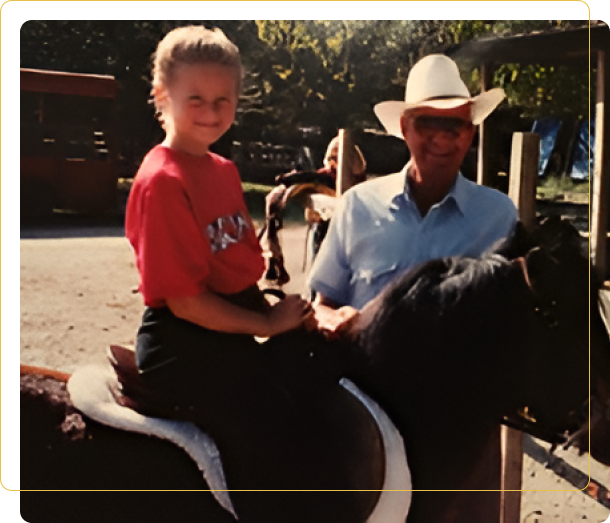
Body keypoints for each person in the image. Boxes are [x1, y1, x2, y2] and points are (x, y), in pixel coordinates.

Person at [124, 26, 319, 453]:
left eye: (222, 101)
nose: (210, 113)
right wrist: (268, 324)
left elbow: (233, 271)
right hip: (185, 346)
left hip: (231, 329)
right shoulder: (163, 181)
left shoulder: (223, 169)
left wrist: (285, 313)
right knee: (272, 436)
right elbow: (186, 302)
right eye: (195, 99)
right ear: (162, 95)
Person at [308, 54, 518, 338]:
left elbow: (511, 322)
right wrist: (334, 319)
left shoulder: (499, 216)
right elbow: (321, 305)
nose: (441, 139)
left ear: (469, 133)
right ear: (405, 128)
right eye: (427, 124)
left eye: (453, 126)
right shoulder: (357, 206)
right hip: (361, 377)